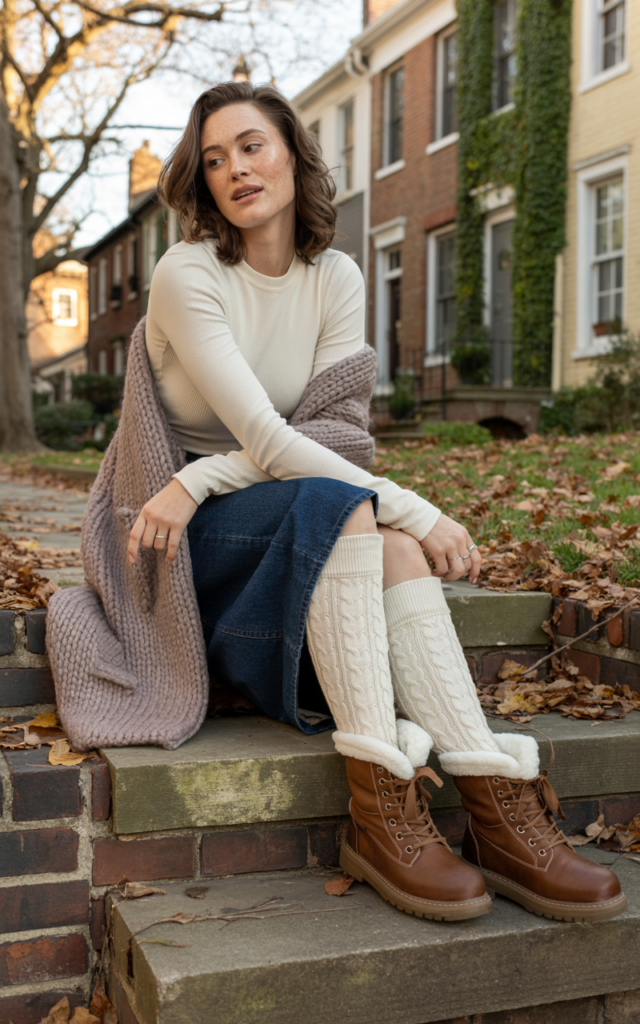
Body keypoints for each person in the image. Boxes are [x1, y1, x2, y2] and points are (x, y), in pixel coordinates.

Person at [128, 81, 625, 923]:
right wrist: (418, 508)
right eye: (213, 159)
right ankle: (380, 809)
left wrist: (209, 476)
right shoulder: (187, 273)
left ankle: (497, 810)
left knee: (379, 535)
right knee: (360, 512)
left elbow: (336, 438)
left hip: (248, 498)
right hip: (189, 541)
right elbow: (271, 438)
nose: (235, 168)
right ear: (201, 181)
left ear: (293, 154)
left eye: (251, 145)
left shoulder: (336, 276)